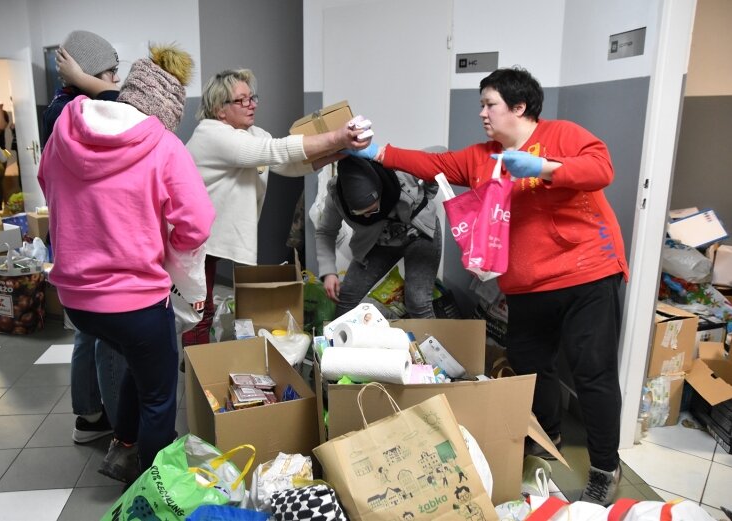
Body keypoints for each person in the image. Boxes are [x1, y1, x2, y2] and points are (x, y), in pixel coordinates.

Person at [352, 67, 629, 506]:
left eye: (489, 104)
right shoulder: (484, 156)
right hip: (525, 284)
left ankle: (604, 467)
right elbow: (434, 164)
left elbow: (600, 169)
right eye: (481, 104)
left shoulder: (564, 135)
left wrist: (544, 167)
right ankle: (547, 431)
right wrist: (377, 150)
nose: (481, 113)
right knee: (530, 364)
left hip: (586, 272)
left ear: (518, 107)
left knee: (592, 372)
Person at [38, 43, 214, 484]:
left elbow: (46, 183)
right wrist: (169, 252)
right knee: (159, 393)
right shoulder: (165, 146)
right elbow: (197, 222)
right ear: (165, 111)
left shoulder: (64, 130)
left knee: (138, 362)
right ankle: (153, 488)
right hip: (134, 302)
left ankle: (124, 444)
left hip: (76, 299)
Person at [183, 68, 371, 346]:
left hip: (218, 232)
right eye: (241, 100)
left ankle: (209, 365)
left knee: (209, 307)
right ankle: (195, 374)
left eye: (252, 97)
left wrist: (342, 150)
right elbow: (276, 150)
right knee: (200, 310)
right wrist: (338, 137)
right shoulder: (211, 135)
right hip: (195, 236)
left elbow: (288, 163)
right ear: (219, 110)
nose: (252, 104)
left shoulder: (253, 133)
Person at [42, 29, 127, 446]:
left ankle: (90, 414)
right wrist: (96, 83)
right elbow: (126, 109)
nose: (115, 81)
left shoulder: (60, 107)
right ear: (89, 74)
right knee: (105, 335)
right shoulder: (74, 113)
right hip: (88, 243)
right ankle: (111, 423)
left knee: (88, 333)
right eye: (111, 73)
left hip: (72, 242)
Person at [316, 155, 441, 319]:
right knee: (346, 296)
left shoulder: (400, 171)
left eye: (372, 210)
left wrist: (427, 195)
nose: (368, 217)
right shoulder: (336, 195)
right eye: (360, 214)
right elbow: (325, 231)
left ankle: (430, 345)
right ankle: (339, 342)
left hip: (418, 234)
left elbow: (437, 160)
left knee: (417, 302)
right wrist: (328, 271)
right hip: (378, 242)